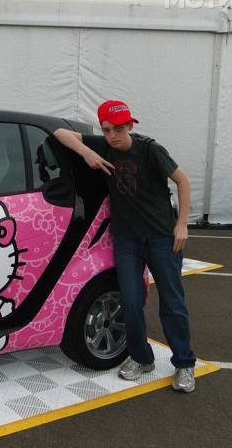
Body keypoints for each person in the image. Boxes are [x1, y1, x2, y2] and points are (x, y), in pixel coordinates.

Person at [54, 100, 196, 392]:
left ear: (130, 125)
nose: (112, 135)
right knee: (129, 301)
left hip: (161, 238)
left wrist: (182, 225)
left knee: (172, 303)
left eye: (118, 129)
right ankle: (142, 358)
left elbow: (183, 181)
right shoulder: (103, 145)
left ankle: (184, 363)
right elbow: (60, 133)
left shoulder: (150, 150)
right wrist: (87, 152)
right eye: (106, 129)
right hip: (127, 239)